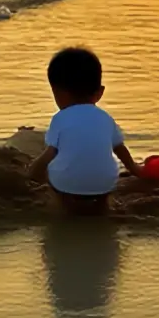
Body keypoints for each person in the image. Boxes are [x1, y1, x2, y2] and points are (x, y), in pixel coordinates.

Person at [27, 46, 144, 214]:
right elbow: (120, 149)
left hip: (67, 185)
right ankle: (103, 206)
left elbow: (49, 154)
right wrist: (136, 170)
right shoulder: (106, 118)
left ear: (57, 92)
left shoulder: (60, 118)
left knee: (57, 178)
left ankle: (63, 206)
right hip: (104, 183)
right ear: (100, 92)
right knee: (103, 185)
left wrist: (32, 174)